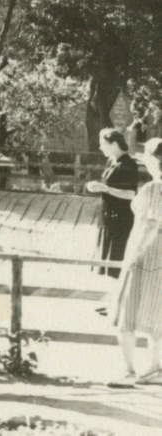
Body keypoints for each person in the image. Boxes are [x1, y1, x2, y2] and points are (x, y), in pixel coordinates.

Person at [112, 137, 162, 385]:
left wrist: (134, 256)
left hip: (147, 254)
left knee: (127, 312)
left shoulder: (154, 189)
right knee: (157, 314)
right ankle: (155, 368)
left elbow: (152, 223)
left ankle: (129, 370)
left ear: (154, 161)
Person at [87, 128, 139, 280]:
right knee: (106, 269)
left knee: (116, 268)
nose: (100, 147)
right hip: (108, 220)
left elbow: (131, 194)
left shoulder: (129, 165)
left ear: (114, 144)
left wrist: (105, 189)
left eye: (103, 144)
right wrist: (97, 186)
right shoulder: (112, 161)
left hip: (121, 222)